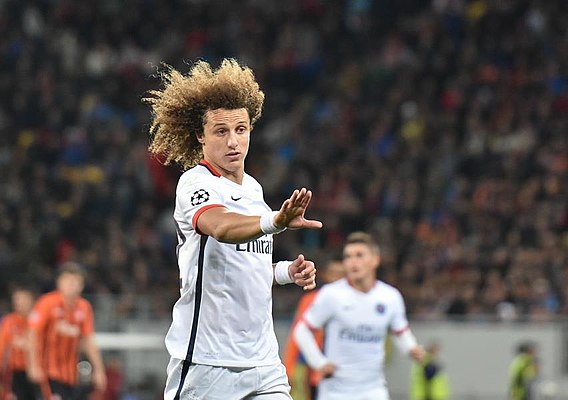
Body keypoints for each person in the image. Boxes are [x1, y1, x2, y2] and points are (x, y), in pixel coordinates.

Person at [144, 58, 322, 400]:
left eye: (240, 129)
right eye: (221, 131)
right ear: (200, 135)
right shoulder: (195, 183)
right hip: (208, 364)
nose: (233, 142)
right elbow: (222, 227)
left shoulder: (254, 191)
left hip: (263, 362)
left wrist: (286, 272)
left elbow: (243, 264)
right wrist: (276, 221)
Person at [293, 232, 424, 400]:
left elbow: (400, 331)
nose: (352, 261)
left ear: (375, 260)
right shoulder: (331, 295)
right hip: (336, 391)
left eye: (359, 255)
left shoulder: (390, 297)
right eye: (348, 256)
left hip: (374, 390)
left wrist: (411, 348)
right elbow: (301, 330)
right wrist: (319, 362)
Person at [27, 262, 106, 400]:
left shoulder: (84, 307)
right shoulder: (47, 303)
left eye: (77, 281)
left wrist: (99, 370)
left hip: (71, 375)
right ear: (60, 282)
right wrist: (33, 365)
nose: (72, 285)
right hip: (47, 373)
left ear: (82, 285)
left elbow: (88, 340)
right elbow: (32, 333)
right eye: (69, 280)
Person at [283, 260, 345, 400]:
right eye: (333, 274)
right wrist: (288, 369)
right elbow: (296, 335)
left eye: (341, 274)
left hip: (345, 370)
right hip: (315, 372)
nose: (337, 279)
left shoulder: (355, 300)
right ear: (326, 275)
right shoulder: (311, 300)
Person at [0, 286, 38, 400]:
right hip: (15, 373)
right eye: (16, 299)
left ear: (32, 300)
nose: (19, 302)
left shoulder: (39, 320)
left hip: (38, 372)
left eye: (23, 298)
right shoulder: (8, 322)